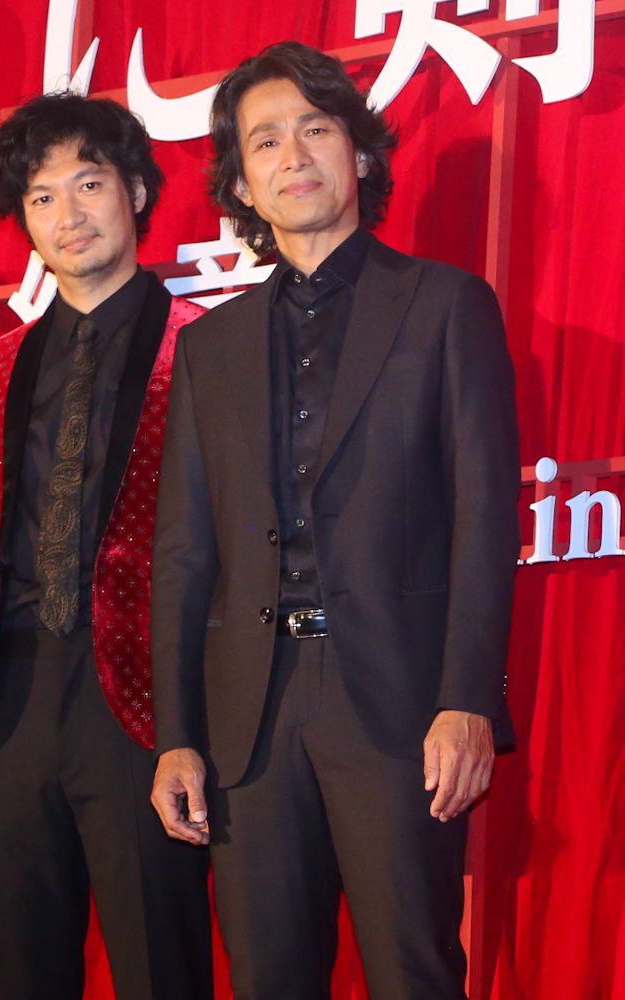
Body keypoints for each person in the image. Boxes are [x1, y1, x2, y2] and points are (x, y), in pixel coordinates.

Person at [149, 41, 520, 1000]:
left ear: (357, 152)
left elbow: (485, 517)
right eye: (265, 140)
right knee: (267, 976)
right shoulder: (210, 347)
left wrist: (468, 700)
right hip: (249, 718)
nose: (294, 154)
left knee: (413, 971)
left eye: (315, 128)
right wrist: (177, 735)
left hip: (398, 706)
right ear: (242, 184)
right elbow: (185, 552)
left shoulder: (445, 306)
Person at [0, 93, 214, 1000]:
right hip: (6, 711)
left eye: (89, 184)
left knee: (161, 969)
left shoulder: (206, 349)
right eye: (42, 197)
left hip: (145, 713)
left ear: (137, 192)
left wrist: (196, 728)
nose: (68, 214)